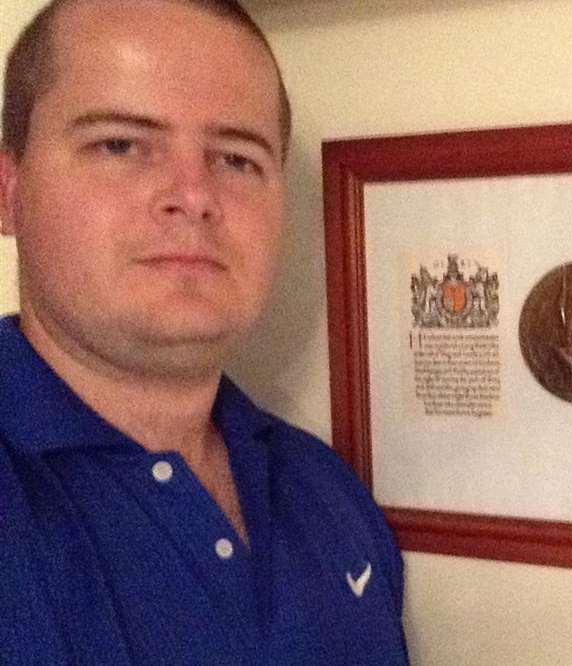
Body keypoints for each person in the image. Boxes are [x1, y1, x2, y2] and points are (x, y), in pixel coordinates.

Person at [0, 1, 408, 663]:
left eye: (237, 159)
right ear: (9, 190)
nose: (193, 195)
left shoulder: (326, 492)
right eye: (121, 144)